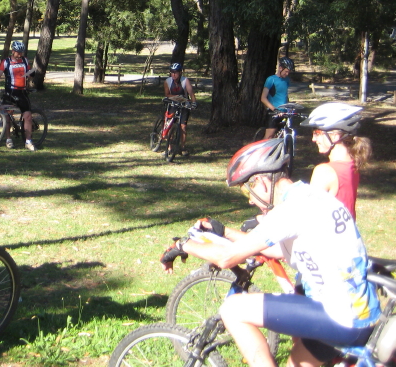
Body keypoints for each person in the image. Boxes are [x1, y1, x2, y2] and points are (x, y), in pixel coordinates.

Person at [160, 137, 380, 367]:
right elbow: (276, 250)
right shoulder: (311, 197)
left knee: (233, 309)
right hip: (360, 314)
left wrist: (182, 245)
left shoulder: (291, 209)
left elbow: (226, 258)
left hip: (337, 316)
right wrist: (226, 232)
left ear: (263, 183)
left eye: (248, 192)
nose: (250, 202)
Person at [301, 102, 369, 219]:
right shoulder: (353, 163)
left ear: (335, 136)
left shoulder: (325, 171)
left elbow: (309, 216)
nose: (313, 139)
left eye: (317, 133)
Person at [0, 40, 36, 151]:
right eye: (18, 52)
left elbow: (29, 74)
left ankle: (28, 141)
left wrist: (32, 73)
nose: (20, 54)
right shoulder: (6, 61)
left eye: (21, 52)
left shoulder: (25, 60)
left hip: (22, 93)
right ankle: (8, 139)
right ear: (13, 51)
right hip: (10, 93)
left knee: (28, 116)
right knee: (7, 116)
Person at [162, 63, 197, 156]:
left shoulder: (185, 81)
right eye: (172, 72)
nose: (173, 74)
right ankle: (169, 148)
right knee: (169, 125)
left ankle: (183, 147)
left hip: (184, 105)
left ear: (180, 72)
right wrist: (177, 97)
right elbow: (167, 94)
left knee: (183, 127)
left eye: (176, 72)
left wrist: (194, 103)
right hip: (173, 104)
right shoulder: (167, 81)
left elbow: (191, 94)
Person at [261, 57, 294, 139]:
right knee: (269, 137)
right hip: (273, 113)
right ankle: (263, 151)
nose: (287, 74)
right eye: (286, 71)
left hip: (284, 113)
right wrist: (275, 110)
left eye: (289, 72)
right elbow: (263, 98)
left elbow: (284, 95)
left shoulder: (287, 80)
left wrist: (289, 106)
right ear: (280, 68)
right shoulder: (271, 79)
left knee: (281, 137)